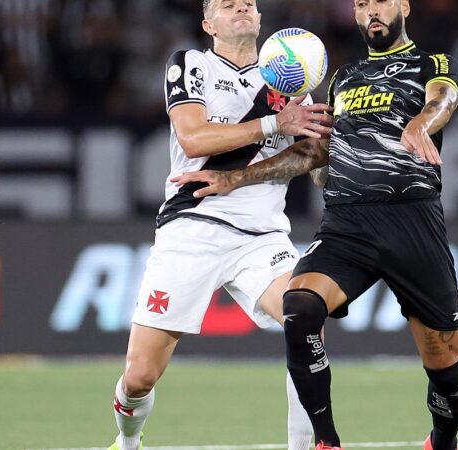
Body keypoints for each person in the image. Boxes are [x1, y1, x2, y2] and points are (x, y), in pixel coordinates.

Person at [173, 1, 458, 449]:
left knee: (444, 359)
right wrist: (235, 177)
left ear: (403, 6)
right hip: (347, 224)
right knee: (299, 305)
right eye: (362, 4)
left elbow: (444, 98)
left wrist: (421, 124)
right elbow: (315, 153)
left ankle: (442, 440)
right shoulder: (343, 80)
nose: (372, 10)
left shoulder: (432, 62)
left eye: (381, 1)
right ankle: (326, 442)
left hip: (412, 219)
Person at [107, 1, 333, 449]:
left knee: (306, 318)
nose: (241, 7)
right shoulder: (191, 64)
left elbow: (310, 159)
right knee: (139, 376)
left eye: (248, 3)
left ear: (261, 19)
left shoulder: (292, 83)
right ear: (209, 24)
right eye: (228, 4)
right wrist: (274, 122)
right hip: (193, 225)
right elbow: (193, 138)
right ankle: (127, 443)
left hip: (262, 236)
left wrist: (321, 151)